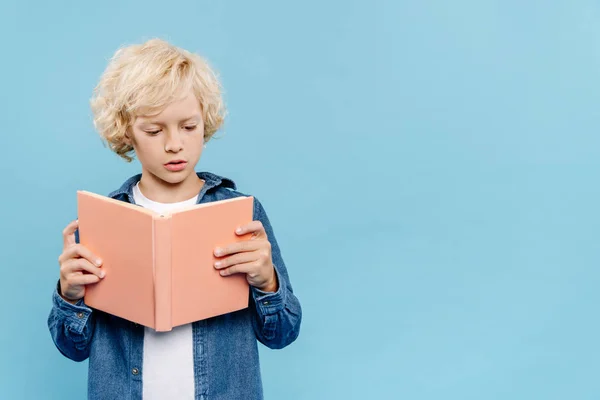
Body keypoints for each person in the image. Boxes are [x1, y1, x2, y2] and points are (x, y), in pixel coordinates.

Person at [47, 38, 302, 400]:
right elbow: (72, 348)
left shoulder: (241, 212)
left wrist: (267, 283)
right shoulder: (101, 221)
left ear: (205, 123)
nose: (174, 144)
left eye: (188, 126)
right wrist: (70, 295)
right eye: (154, 130)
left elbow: (283, 333)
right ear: (126, 132)